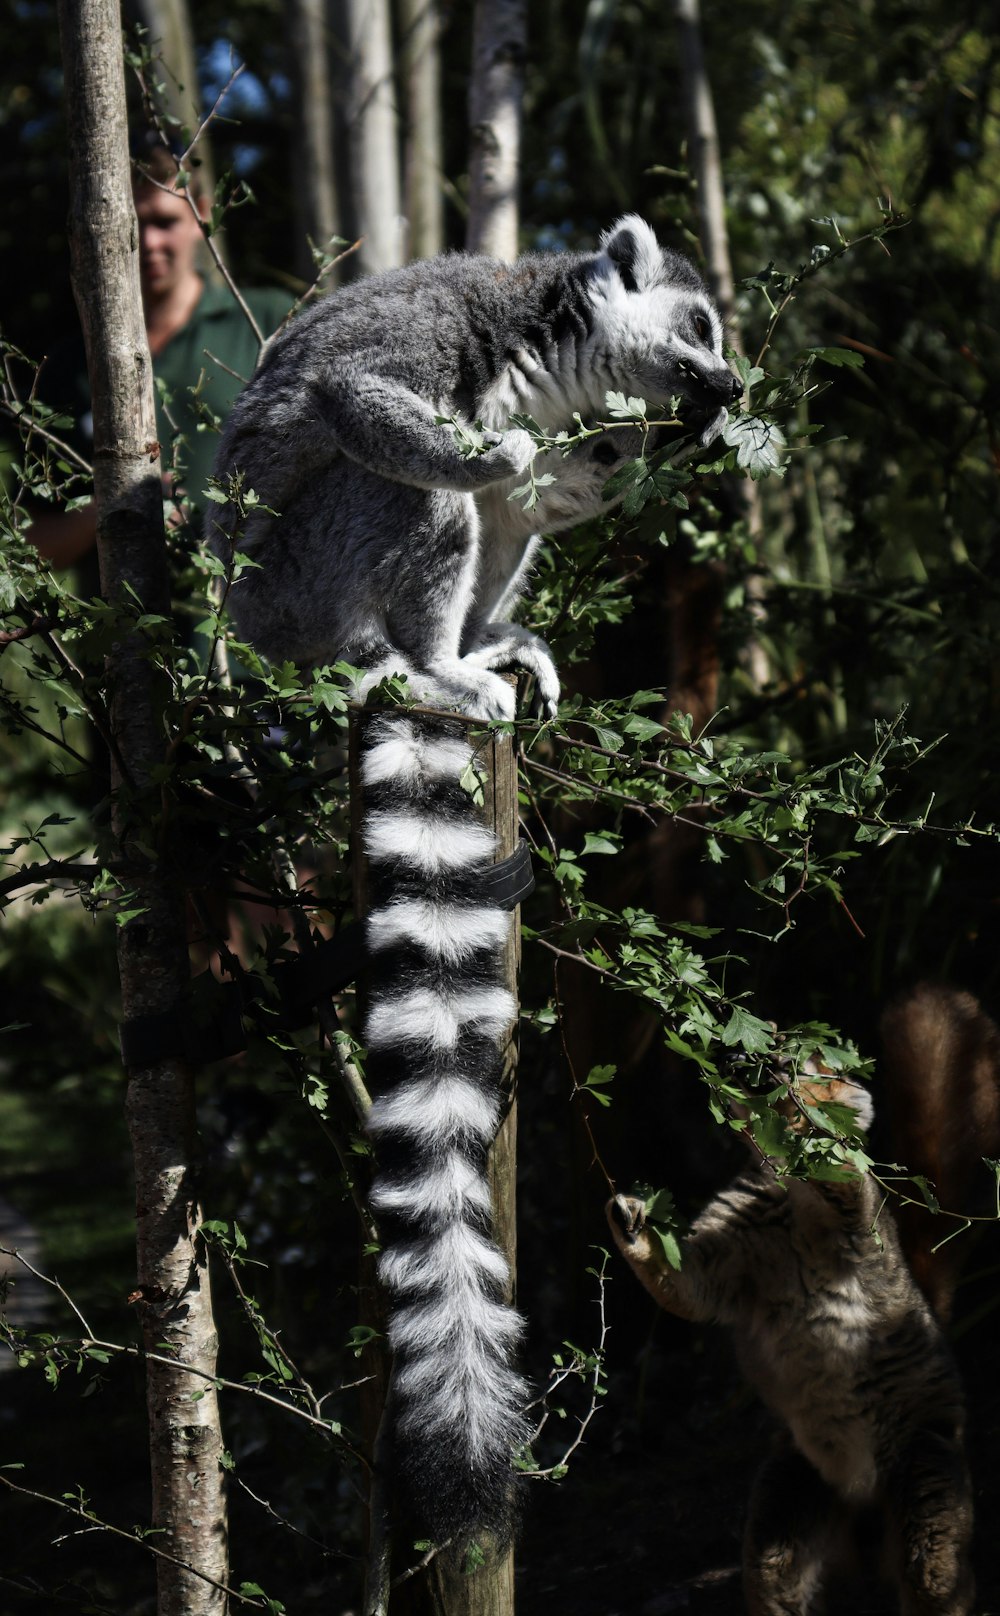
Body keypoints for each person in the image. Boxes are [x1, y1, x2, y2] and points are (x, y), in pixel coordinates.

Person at [28, 142, 293, 567]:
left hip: (256, 625)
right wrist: (118, 507)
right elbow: (33, 549)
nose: (149, 241)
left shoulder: (266, 323)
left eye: (165, 221)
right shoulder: (66, 369)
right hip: (122, 629)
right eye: (133, 224)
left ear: (201, 214)